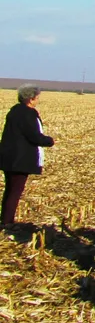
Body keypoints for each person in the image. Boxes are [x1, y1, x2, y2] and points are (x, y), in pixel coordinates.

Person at [0, 85, 55, 226]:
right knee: (15, 191)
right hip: (20, 159)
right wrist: (49, 141)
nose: (37, 100)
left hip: (8, 156)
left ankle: (5, 219)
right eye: (36, 98)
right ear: (30, 99)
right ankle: (7, 222)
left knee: (10, 189)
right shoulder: (28, 113)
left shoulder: (14, 111)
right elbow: (34, 136)